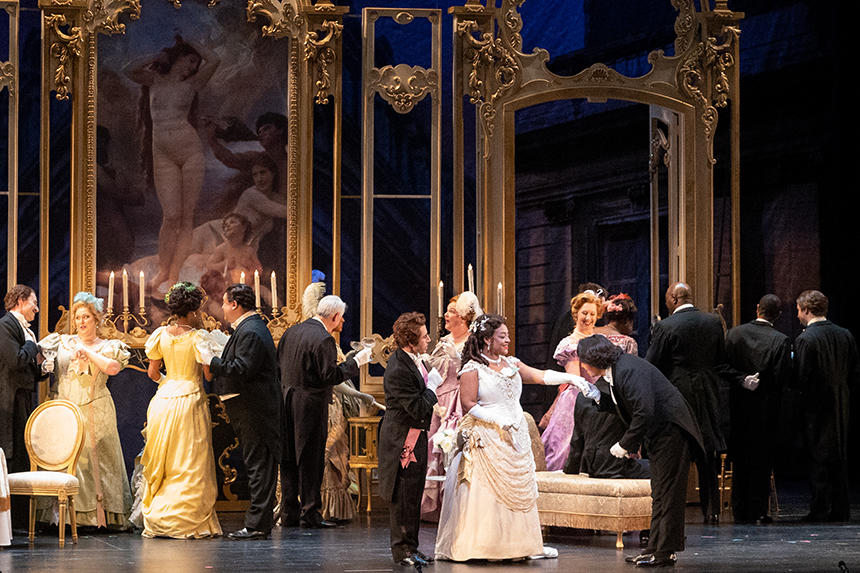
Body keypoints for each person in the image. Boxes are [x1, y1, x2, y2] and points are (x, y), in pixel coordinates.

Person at [434, 313, 588, 562]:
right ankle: (486, 546)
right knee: (489, 493)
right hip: (488, 435)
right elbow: (468, 404)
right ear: (486, 339)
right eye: (502, 336)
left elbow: (541, 376)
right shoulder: (473, 369)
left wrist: (573, 378)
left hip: (515, 435)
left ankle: (517, 546)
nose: (507, 341)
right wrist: (496, 420)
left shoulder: (511, 364)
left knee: (518, 491)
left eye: (507, 336)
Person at [577, 334, 704, 568]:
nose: (583, 366)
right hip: (660, 435)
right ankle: (655, 548)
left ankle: (665, 551)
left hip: (672, 432)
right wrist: (598, 398)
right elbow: (628, 406)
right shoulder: (617, 369)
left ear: (593, 358)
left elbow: (643, 411)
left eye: (583, 361)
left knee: (668, 494)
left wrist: (625, 444)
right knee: (660, 493)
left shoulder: (627, 369)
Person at [124, 35, 220, 292]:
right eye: (188, 60)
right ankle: (164, 269)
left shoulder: (193, 83)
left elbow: (215, 59)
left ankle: (174, 273)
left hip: (189, 152)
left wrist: (192, 42)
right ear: (176, 58)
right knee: (171, 216)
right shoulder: (154, 79)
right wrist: (160, 56)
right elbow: (129, 69)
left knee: (186, 216)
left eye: (194, 63)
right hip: (163, 153)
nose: (191, 67)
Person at [277, 294, 372, 528]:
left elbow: (278, 366)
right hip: (310, 405)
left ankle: (289, 512)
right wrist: (357, 362)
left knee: (288, 458)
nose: (343, 323)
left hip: (286, 401)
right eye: (342, 319)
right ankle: (310, 513)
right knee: (310, 460)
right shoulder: (324, 339)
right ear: (335, 316)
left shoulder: (291, 332)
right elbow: (330, 376)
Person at [38, 292, 132, 529]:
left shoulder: (108, 346)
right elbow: (37, 357)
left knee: (95, 461)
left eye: (86, 317)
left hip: (95, 408)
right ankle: (63, 515)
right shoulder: (62, 342)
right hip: (64, 408)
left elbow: (112, 368)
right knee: (67, 460)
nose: (81, 322)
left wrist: (88, 353)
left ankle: (94, 517)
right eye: (78, 317)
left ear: (96, 319)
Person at [645, 282, 735, 524]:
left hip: (679, 397)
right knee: (708, 455)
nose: (665, 303)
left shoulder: (665, 326)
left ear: (674, 299)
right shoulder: (713, 322)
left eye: (666, 298)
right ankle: (712, 510)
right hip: (708, 395)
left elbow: (652, 365)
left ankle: (674, 512)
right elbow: (720, 360)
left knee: (679, 454)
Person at [139, 282, 221, 538]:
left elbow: (152, 373)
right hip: (190, 399)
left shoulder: (161, 334)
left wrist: (169, 383)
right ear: (194, 310)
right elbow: (208, 375)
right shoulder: (199, 337)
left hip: (164, 400)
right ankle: (187, 519)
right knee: (189, 462)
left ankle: (161, 515)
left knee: (166, 461)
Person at [201, 284, 281, 539]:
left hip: (254, 408)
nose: (222, 308)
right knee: (257, 463)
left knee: (259, 465)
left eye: (224, 303)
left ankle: (257, 525)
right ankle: (258, 523)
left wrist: (211, 360)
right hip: (250, 406)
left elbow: (241, 368)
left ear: (235, 304)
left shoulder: (252, 331)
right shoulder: (250, 328)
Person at [378, 312, 440, 567]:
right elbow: (416, 407)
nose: (428, 340)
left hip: (415, 436)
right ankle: (401, 550)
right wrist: (433, 388)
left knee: (413, 494)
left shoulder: (413, 360)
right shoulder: (398, 368)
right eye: (424, 336)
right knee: (402, 494)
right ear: (411, 340)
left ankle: (412, 546)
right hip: (402, 439)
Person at [725, 294, 791, 524]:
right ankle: (759, 511)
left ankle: (739, 509)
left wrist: (741, 379)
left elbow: (723, 369)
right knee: (762, 462)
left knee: (740, 461)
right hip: (766, 410)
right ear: (778, 315)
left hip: (738, 408)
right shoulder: (781, 340)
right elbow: (782, 378)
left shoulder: (734, 334)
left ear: (757, 309)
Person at [794, 290, 859, 522]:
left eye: (799, 311)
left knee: (817, 456)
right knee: (839, 455)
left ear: (807, 310)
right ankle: (841, 508)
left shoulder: (805, 339)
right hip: (842, 402)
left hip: (815, 405)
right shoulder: (845, 335)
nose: (798, 316)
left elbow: (801, 376)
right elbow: (854, 371)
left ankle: (819, 508)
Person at [421, 290, 482, 521]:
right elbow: (434, 372)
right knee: (433, 448)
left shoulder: (472, 343)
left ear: (465, 318)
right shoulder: (443, 342)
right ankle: (434, 507)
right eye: (447, 310)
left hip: (458, 400)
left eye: (452, 311)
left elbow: (472, 372)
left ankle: (457, 505)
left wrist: (457, 357)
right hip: (440, 400)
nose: (446, 315)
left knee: (454, 449)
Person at [540, 290, 603, 469]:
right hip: (577, 398)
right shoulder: (571, 343)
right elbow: (575, 379)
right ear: (576, 314)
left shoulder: (599, 340)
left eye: (592, 314)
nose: (588, 318)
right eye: (584, 313)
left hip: (598, 396)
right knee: (565, 446)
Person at [0, 285, 43, 529]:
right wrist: (31, 345)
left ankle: (20, 521)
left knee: (22, 455)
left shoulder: (26, 331)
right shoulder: (5, 325)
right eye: (33, 302)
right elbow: (15, 360)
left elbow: (28, 367)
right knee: (12, 453)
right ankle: (11, 520)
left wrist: (42, 368)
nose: (36, 309)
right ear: (19, 302)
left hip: (23, 399)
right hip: (9, 402)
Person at [564, 391, 650, 479]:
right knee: (661, 466)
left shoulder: (582, 396)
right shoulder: (623, 395)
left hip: (591, 467)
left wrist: (570, 469)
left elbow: (577, 440)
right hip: (617, 467)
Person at [206, 212, 263, 283]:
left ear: (244, 227)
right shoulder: (222, 249)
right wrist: (224, 264)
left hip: (245, 286)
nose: (228, 226)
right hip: (227, 286)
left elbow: (259, 270)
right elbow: (209, 266)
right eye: (225, 225)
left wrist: (249, 264)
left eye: (232, 222)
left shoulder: (249, 250)